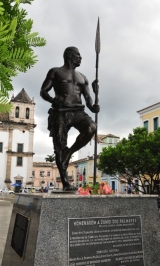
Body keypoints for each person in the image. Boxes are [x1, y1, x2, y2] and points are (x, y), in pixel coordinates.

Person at [40, 47, 100, 191]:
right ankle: (66, 183)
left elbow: (88, 100)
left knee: (91, 127)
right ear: (69, 56)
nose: (80, 58)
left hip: (78, 111)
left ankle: (70, 152)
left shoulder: (83, 77)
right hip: (60, 111)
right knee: (59, 147)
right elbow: (43, 91)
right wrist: (52, 100)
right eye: (78, 55)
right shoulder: (55, 71)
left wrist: (94, 102)